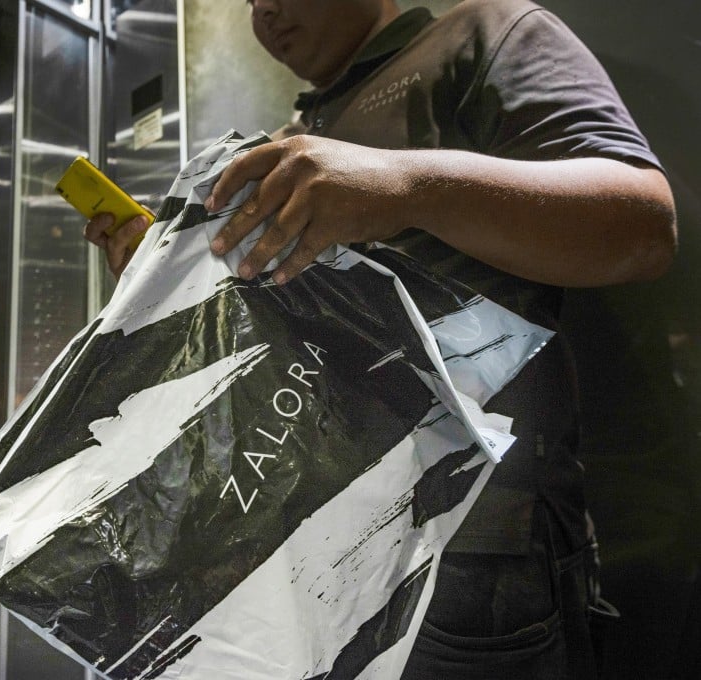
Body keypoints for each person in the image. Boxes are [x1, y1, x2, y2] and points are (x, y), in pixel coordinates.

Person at [85, 1, 677, 677]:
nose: (266, 10)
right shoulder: (296, 137)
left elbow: (642, 223)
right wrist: (171, 285)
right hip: (307, 559)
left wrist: (408, 186)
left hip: (465, 548)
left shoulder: (482, 33)